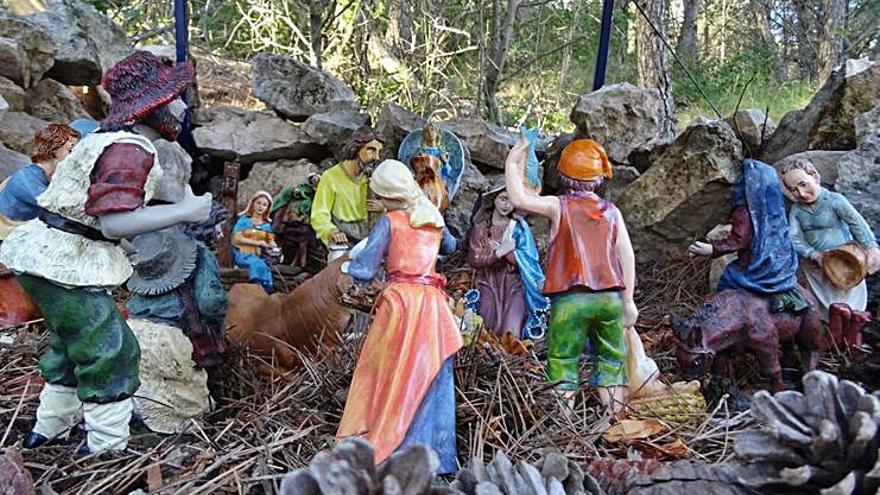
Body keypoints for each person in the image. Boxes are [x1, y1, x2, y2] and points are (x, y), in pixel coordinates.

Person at [0, 50, 212, 454]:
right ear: (151, 104)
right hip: (62, 263)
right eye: (174, 98)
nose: (182, 107)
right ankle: (108, 447)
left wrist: (126, 244)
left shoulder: (102, 138)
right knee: (112, 350)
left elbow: (94, 211)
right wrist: (183, 211)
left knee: (69, 348)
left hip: (48, 254)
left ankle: (47, 431)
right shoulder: (131, 149)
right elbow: (114, 221)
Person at [336, 159, 461, 474]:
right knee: (433, 375)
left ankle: (394, 450)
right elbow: (451, 246)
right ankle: (440, 457)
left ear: (386, 194)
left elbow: (364, 268)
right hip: (434, 306)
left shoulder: (391, 220)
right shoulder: (433, 219)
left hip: (402, 305)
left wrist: (350, 267)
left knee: (392, 373)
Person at [503, 137, 636, 412]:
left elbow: (518, 198)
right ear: (599, 177)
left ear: (564, 175)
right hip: (608, 299)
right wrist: (629, 300)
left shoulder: (557, 206)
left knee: (563, 359)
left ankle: (565, 422)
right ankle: (616, 418)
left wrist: (512, 164)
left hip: (569, 301)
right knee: (612, 358)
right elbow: (627, 256)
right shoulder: (612, 212)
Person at [687, 159, 808, 313]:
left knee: (729, 277)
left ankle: (715, 314)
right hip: (782, 269)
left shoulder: (745, 210)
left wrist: (712, 248)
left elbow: (740, 239)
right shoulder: (776, 207)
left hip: (758, 268)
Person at [782, 159, 880, 345]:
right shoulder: (797, 210)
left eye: (803, 184)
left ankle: (852, 340)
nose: (801, 193)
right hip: (818, 268)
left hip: (846, 264)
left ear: (815, 177)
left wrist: (871, 247)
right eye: (794, 190)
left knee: (849, 305)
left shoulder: (835, 201)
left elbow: (857, 225)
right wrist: (813, 254)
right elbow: (794, 238)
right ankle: (828, 341)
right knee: (822, 309)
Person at [0, 124, 80, 328]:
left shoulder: (50, 180)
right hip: (6, 245)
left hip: (25, 244)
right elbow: (57, 209)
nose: (77, 158)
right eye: (71, 151)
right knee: (19, 311)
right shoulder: (27, 179)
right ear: (53, 150)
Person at [467, 184, 549, 339]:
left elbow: (529, 261)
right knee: (486, 329)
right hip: (488, 282)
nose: (506, 205)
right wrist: (498, 252)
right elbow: (475, 258)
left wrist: (509, 253)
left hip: (513, 285)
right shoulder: (482, 228)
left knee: (510, 333)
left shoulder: (519, 228)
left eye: (511, 201)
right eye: (503, 199)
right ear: (493, 200)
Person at [310, 127, 384, 262]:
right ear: (356, 149)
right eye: (371, 150)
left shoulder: (374, 178)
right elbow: (319, 214)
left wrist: (382, 207)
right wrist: (331, 231)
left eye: (379, 152)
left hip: (370, 238)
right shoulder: (331, 177)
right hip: (344, 237)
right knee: (338, 260)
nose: (376, 157)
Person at [232, 190, 277, 293]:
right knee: (257, 264)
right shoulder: (244, 221)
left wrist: (276, 249)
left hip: (259, 255)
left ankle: (265, 289)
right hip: (244, 254)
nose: (261, 207)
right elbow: (236, 238)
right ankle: (256, 287)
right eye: (258, 203)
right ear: (253, 204)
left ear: (267, 208)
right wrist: (257, 243)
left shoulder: (266, 225)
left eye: (264, 205)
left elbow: (270, 241)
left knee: (265, 266)